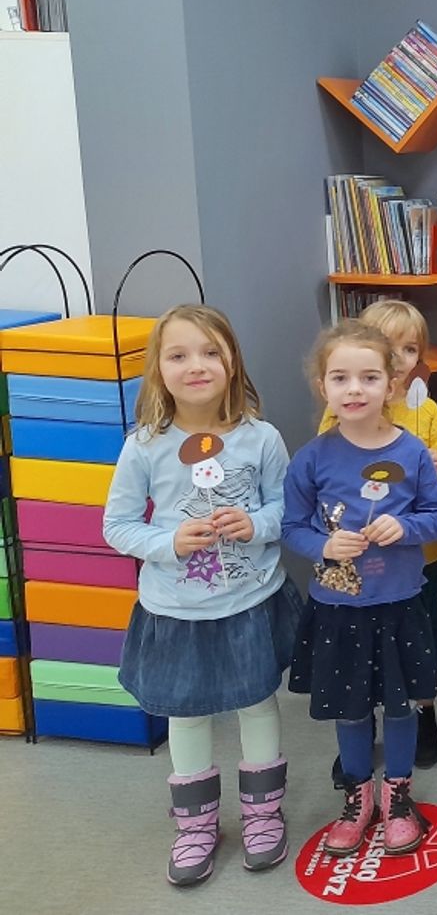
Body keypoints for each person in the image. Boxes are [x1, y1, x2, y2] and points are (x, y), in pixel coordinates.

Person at [103, 306, 301, 886]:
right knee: (185, 714)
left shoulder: (260, 436)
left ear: (232, 360)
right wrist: (167, 542)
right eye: (180, 355)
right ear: (157, 370)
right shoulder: (143, 446)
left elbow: (287, 507)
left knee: (257, 701)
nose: (197, 365)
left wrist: (257, 525)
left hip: (250, 602)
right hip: (177, 609)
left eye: (211, 352)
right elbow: (117, 527)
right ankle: (196, 824)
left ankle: (264, 813)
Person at [283, 322, 437, 857]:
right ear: (323, 387)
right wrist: (324, 547)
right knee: (351, 709)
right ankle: (358, 797)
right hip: (339, 608)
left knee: (401, 706)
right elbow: (292, 528)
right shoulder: (311, 457)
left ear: (393, 385)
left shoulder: (414, 452)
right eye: (341, 378)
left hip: (400, 604)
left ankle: (398, 793)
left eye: (369, 377)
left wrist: (406, 528)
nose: (355, 389)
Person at [319, 299, 437, 770]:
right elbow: (325, 473)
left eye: (409, 348)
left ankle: (423, 708)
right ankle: (362, 718)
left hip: (420, 553)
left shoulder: (425, 411)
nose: (398, 359)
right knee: (361, 636)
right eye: (387, 347)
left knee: (421, 631)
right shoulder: (339, 411)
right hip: (359, 556)